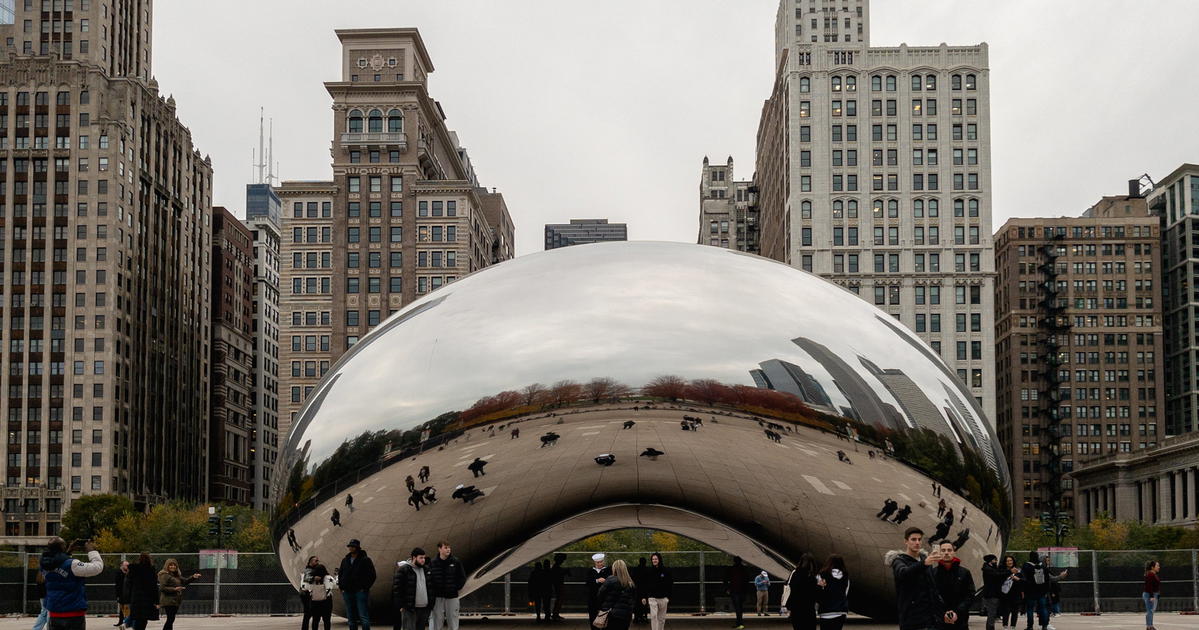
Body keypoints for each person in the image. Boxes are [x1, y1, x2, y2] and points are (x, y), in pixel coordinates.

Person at [39, 537, 104, 630]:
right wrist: (91, 551)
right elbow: (97, 567)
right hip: (73, 612)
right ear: (63, 547)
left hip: (54, 613)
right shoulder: (72, 564)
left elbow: (58, 562)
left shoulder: (44, 564)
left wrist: (68, 552)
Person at [887, 527, 942, 630]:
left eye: (919, 539)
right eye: (913, 539)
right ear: (906, 542)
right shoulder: (899, 561)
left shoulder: (925, 560)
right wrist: (923, 564)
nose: (917, 542)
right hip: (911, 618)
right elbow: (903, 573)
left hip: (931, 618)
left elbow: (933, 588)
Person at [930, 542, 974, 630]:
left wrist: (957, 612)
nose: (946, 552)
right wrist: (943, 614)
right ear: (939, 553)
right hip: (939, 622)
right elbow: (931, 596)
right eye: (943, 550)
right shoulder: (933, 573)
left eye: (949, 550)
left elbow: (970, 595)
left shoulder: (964, 573)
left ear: (954, 552)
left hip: (960, 621)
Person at [338, 539, 377, 630]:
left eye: (352, 546)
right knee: (351, 617)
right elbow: (341, 573)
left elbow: (372, 575)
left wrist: (365, 587)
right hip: (347, 591)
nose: (350, 548)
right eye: (349, 546)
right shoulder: (345, 560)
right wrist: (341, 586)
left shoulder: (365, 560)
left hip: (360, 591)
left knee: (363, 615)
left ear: (357, 548)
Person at [429, 541, 467, 630]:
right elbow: (429, 579)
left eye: (449, 547)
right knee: (437, 620)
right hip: (437, 597)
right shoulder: (433, 562)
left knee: (453, 619)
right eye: (446, 547)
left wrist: (456, 587)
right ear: (439, 549)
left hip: (452, 596)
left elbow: (462, 577)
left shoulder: (456, 561)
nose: (448, 549)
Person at [393, 548, 432, 630]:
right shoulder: (404, 570)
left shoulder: (426, 569)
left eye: (424, 558)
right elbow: (397, 589)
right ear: (414, 558)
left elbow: (431, 587)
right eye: (421, 558)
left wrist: (431, 604)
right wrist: (401, 606)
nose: (423, 560)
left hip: (424, 609)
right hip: (409, 609)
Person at [157, 558, 201, 630]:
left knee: (171, 619)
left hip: (175, 600)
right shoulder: (164, 575)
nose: (173, 566)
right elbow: (162, 588)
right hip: (168, 600)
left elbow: (185, 581)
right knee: (170, 619)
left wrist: (193, 577)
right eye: (170, 565)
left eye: (174, 565)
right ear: (167, 566)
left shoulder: (176, 575)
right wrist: (174, 589)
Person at [597, 559, 638, 630]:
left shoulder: (610, 580)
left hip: (611, 615)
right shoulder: (630, 583)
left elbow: (600, 595)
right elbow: (634, 599)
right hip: (626, 616)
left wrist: (603, 607)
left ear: (614, 569)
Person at [783, 553, 819, 630]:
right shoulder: (813, 576)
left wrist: (788, 605)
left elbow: (790, 587)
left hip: (796, 608)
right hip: (809, 608)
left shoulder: (795, 573)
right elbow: (816, 593)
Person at [125, 553, 159, 630]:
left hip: (136, 599)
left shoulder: (133, 570)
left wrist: (129, 597)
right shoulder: (151, 570)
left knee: (137, 619)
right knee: (144, 620)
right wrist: (157, 601)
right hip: (147, 599)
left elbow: (128, 585)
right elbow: (154, 587)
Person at [816, 555, 849, 630]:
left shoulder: (822, 575)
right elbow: (845, 593)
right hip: (840, 611)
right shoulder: (846, 576)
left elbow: (817, 592)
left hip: (825, 612)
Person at [300, 560, 335, 630]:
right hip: (327, 601)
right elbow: (335, 585)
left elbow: (304, 587)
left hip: (315, 601)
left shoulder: (311, 579)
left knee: (315, 620)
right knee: (327, 620)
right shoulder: (329, 578)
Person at [1020, 551, 1050, 630]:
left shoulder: (1026, 566)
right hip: (1042, 590)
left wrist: (1023, 589)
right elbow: (1047, 578)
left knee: (1030, 609)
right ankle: (1044, 626)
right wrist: (1046, 590)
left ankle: (1030, 626)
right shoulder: (1042, 565)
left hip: (1030, 591)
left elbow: (1023, 578)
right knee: (1043, 608)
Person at [641, 553, 672, 630]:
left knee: (661, 619)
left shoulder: (665, 571)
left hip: (663, 598)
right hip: (652, 597)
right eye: (653, 559)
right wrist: (644, 596)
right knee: (654, 616)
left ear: (659, 560)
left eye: (656, 559)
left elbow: (670, 584)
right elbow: (645, 585)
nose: (654, 560)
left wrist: (668, 597)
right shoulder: (649, 571)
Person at [980, 555, 1007, 630]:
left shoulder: (990, 568)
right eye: (995, 560)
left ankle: (990, 627)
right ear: (990, 561)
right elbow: (997, 575)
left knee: (992, 613)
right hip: (991, 594)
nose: (996, 561)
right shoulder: (988, 569)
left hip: (993, 594)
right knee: (992, 614)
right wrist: (1009, 572)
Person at [586, 553, 611, 628]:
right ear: (595, 562)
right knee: (593, 616)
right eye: (598, 562)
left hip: (604, 598)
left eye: (601, 562)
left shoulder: (608, 570)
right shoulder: (590, 571)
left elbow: (612, 581)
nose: (600, 563)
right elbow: (587, 582)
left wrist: (606, 581)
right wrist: (597, 580)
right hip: (593, 598)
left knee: (604, 616)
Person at [998, 555, 1023, 630]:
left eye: (1011, 560)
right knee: (1006, 611)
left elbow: (1023, 581)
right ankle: (1005, 626)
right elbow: (999, 580)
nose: (1009, 562)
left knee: (1015, 612)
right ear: (1005, 562)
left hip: (1016, 594)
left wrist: (1017, 579)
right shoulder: (1002, 570)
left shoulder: (1018, 570)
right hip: (1005, 594)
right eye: (1007, 561)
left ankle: (1013, 626)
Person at [724, 557, 750, 629]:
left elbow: (726, 579)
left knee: (737, 607)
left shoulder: (731, 569)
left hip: (735, 590)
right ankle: (740, 622)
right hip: (742, 590)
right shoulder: (744, 569)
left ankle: (739, 622)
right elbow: (747, 579)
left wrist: (728, 588)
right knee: (740, 607)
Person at [549, 554, 568, 621]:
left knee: (559, 599)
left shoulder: (556, 567)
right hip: (558, 585)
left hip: (557, 585)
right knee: (559, 599)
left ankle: (555, 614)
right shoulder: (556, 568)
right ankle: (555, 614)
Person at [1143, 559, 1160, 630]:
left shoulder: (1153, 574)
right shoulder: (1150, 574)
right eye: (1157, 566)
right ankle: (1149, 626)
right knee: (1150, 611)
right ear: (1153, 567)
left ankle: (1149, 626)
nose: (1159, 567)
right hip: (1149, 595)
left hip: (1153, 594)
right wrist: (1151, 596)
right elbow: (1149, 586)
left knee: (1150, 611)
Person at [113, 561, 131, 628]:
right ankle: (121, 621)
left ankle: (127, 622)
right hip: (121, 593)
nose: (127, 566)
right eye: (126, 565)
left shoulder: (129, 573)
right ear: (122, 566)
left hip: (128, 593)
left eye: (128, 565)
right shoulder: (119, 573)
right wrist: (117, 595)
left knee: (128, 608)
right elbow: (117, 585)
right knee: (122, 609)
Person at [631, 558, 649, 623]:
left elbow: (633, 578)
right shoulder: (647, 570)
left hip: (637, 589)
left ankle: (636, 618)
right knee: (644, 604)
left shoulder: (635, 569)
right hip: (644, 590)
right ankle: (644, 617)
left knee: (637, 604)